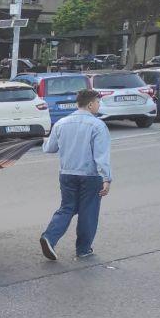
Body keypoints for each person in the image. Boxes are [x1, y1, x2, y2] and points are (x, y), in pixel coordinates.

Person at [39, 88, 112, 261]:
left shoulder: (62, 123)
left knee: (67, 207)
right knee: (89, 211)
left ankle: (50, 237)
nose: (99, 105)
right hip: (90, 175)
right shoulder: (98, 125)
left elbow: (49, 148)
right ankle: (83, 249)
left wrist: (44, 141)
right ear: (90, 104)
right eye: (98, 102)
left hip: (67, 174)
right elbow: (101, 156)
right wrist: (107, 178)